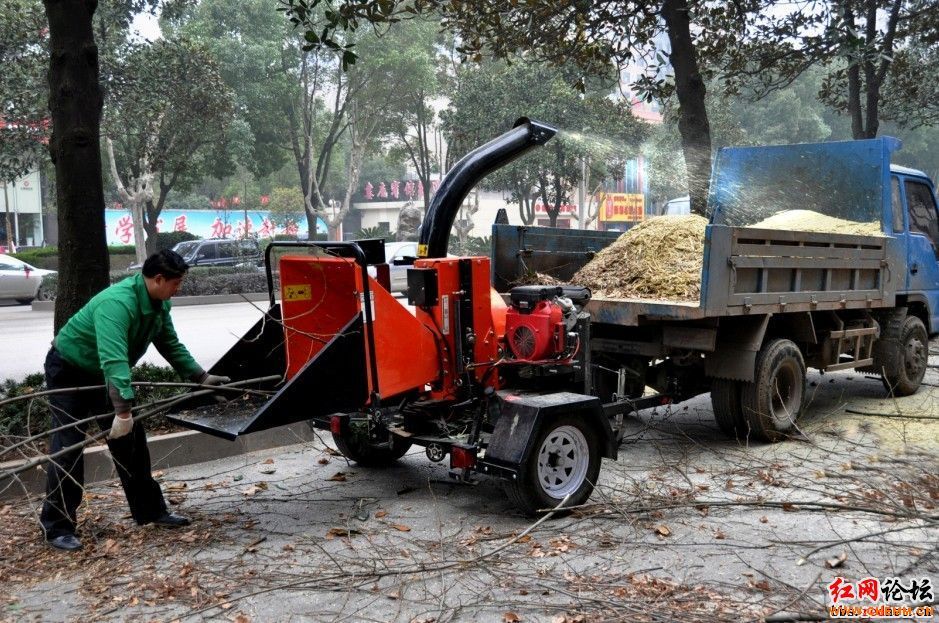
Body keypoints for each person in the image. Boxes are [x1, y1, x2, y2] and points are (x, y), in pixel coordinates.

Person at [40, 249, 230, 551]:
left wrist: (201, 377)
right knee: (68, 448)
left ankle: (151, 512)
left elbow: (170, 343)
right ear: (158, 279)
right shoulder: (117, 304)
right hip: (69, 371)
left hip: (105, 376)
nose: (178, 289)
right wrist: (123, 411)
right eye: (176, 283)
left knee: (132, 444)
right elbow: (114, 360)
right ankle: (57, 526)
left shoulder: (158, 304)